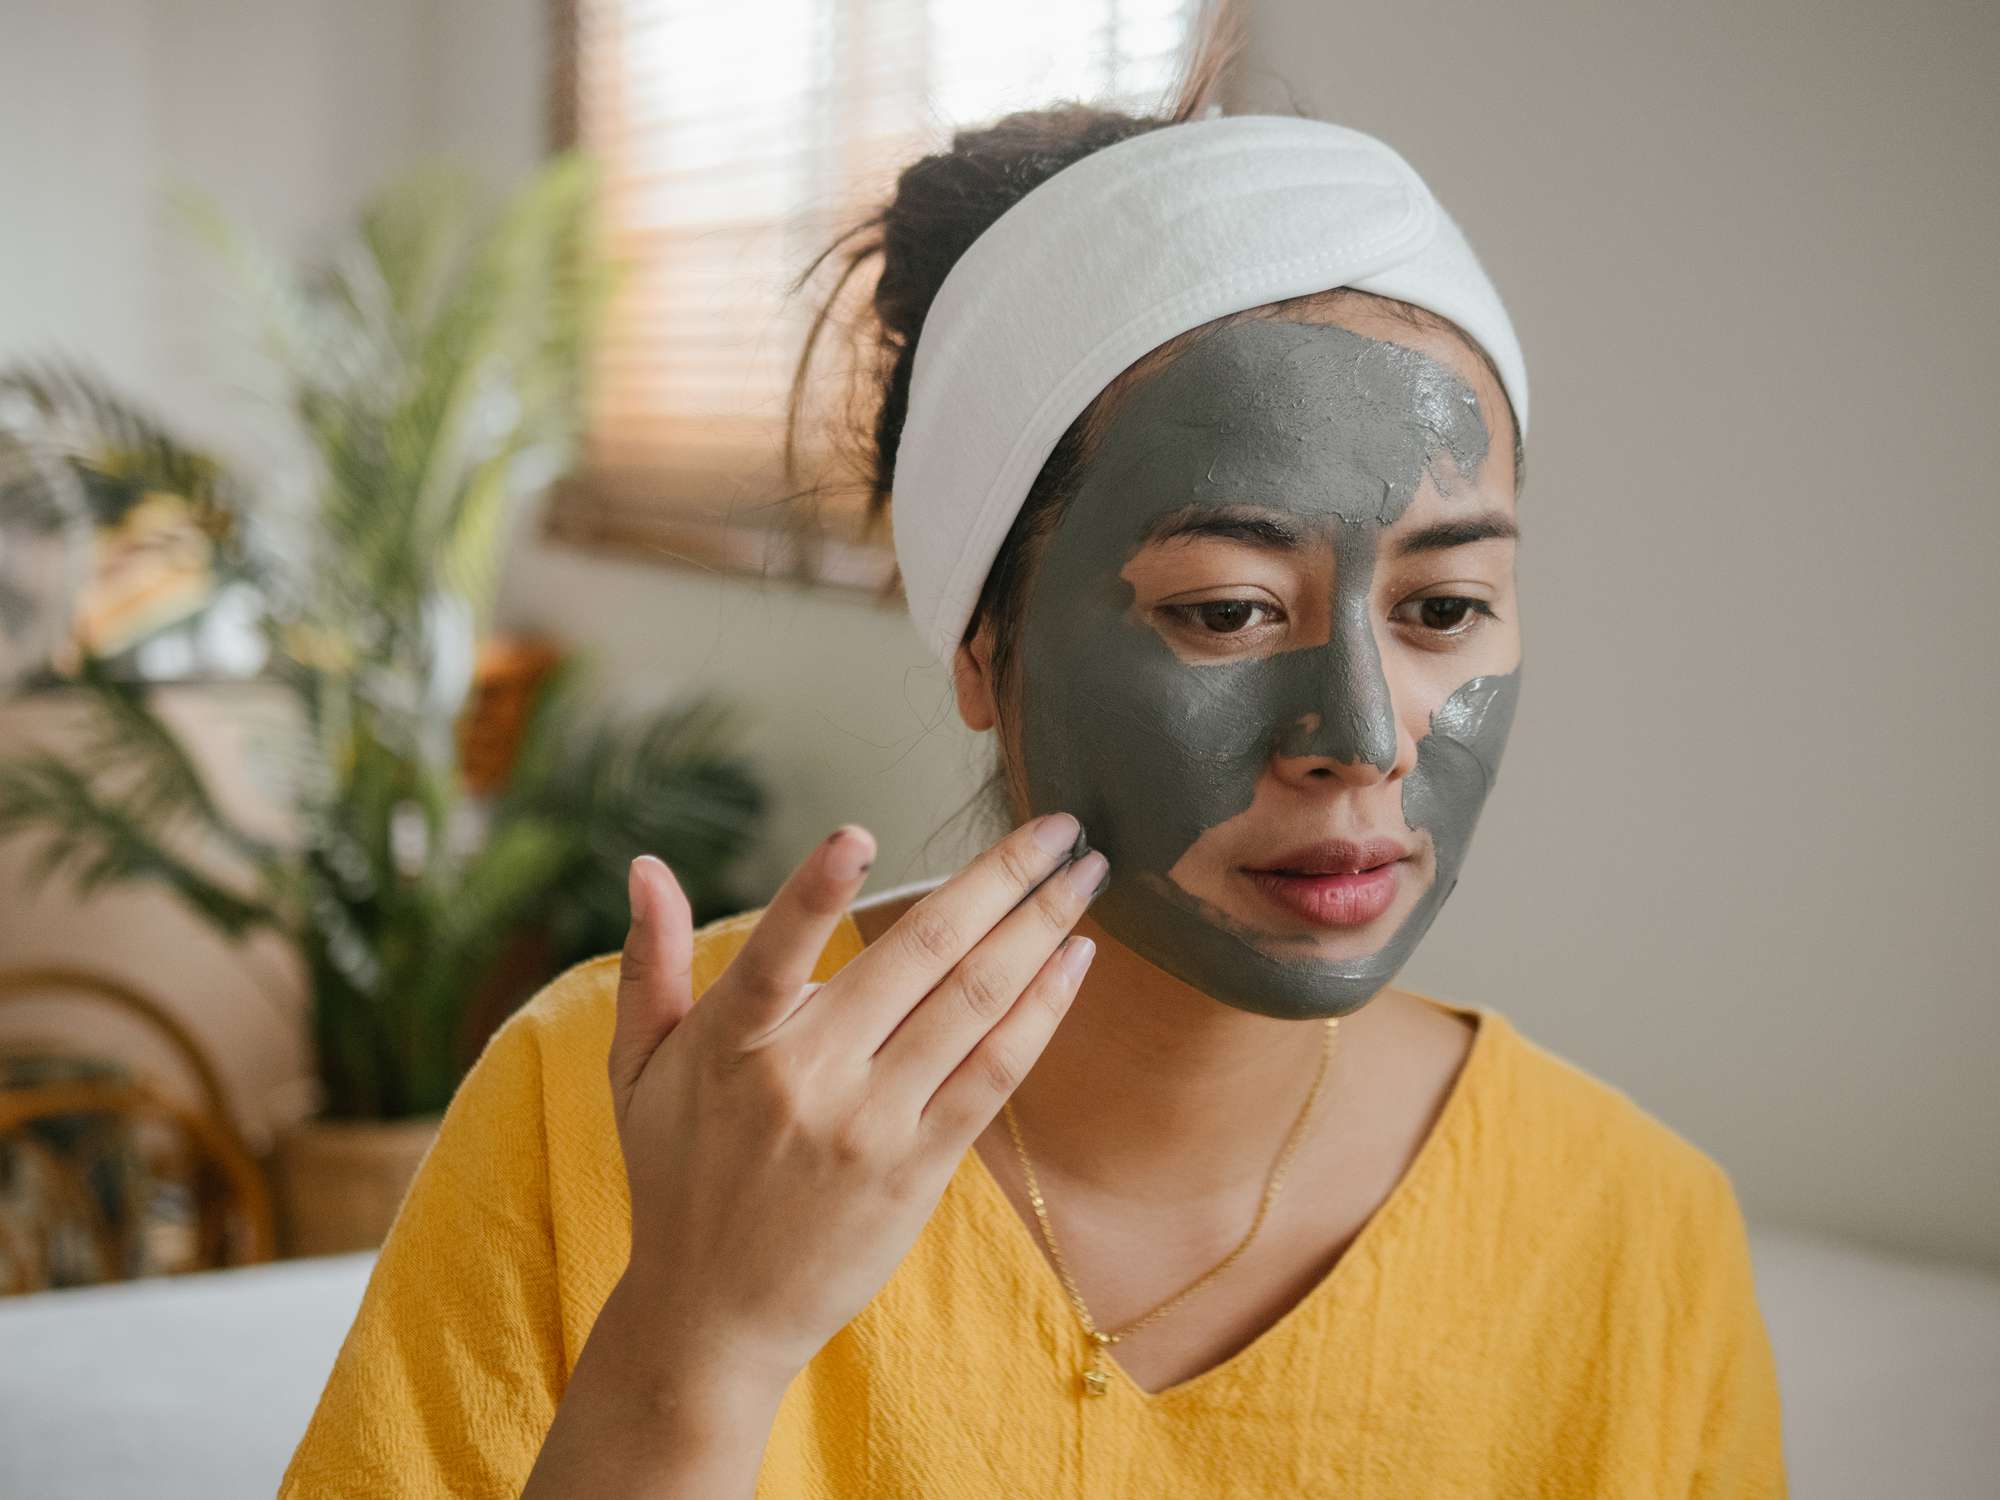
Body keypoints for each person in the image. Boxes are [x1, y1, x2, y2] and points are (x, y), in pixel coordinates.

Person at [278, 19, 1787, 1500]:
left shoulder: (1636, 1234)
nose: (1364, 740)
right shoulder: (610, 1118)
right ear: (982, 644)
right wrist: (702, 1340)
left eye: (1445, 610)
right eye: (1227, 610)